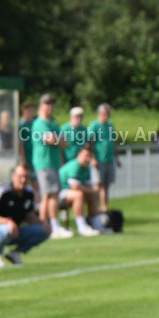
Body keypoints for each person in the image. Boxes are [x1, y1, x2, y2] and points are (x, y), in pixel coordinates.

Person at [0, 165, 50, 268]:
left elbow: (28, 216)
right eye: (20, 176)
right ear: (14, 176)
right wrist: (7, 221)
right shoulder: (4, 192)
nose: (23, 180)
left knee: (42, 231)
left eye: (26, 177)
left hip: (15, 231)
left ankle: (15, 253)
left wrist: (42, 222)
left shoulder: (29, 193)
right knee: (6, 229)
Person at [31, 93, 73, 239]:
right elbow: (51, 139)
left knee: (50, 195)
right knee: (51, 194)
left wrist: (58, 140)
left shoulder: (53, 123)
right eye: (46, 104)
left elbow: (65, 142)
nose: (49, 107)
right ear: (41, 106)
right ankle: (53, 226)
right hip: (44, 163)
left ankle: (44, 226)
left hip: (54, 163)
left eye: (51, 104)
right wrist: (57, 140)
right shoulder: (40, 123)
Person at [57, 147, 103, 236]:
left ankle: (97, 225)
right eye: (86, 156)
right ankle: (82, 227)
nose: (88, 158)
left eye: (90, 156)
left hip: (69, 193)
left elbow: (87, 186)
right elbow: (75, 187)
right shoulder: (75, 166)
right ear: (79, 155)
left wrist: (94, 192)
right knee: (78, 195)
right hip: (58, 195)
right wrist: (92, 191)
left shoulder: (87, 168)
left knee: (92, 195)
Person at [88, 103, 121, 212]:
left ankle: (105, 207)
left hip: (109, 159)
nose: (105, 116)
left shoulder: (110, 126)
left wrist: (117, 158)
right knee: (97, 185)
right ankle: (95, 207)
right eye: (103, 114)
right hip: (99, 160)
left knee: (106, 185)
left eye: (107, 114)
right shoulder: (94, 126)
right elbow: (89, 143)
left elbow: (113, 142)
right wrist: (92, 158)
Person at [18, 102, 40, 197]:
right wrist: (23, 159)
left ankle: (36, 202)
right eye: (29, 110)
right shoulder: (21, 125)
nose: (31, 112)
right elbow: (20, 143)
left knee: (36, 182)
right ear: (25, 111)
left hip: (35, 157)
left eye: (32, 110)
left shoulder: (34, 123)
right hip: (27, 157)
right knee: (26, 180)